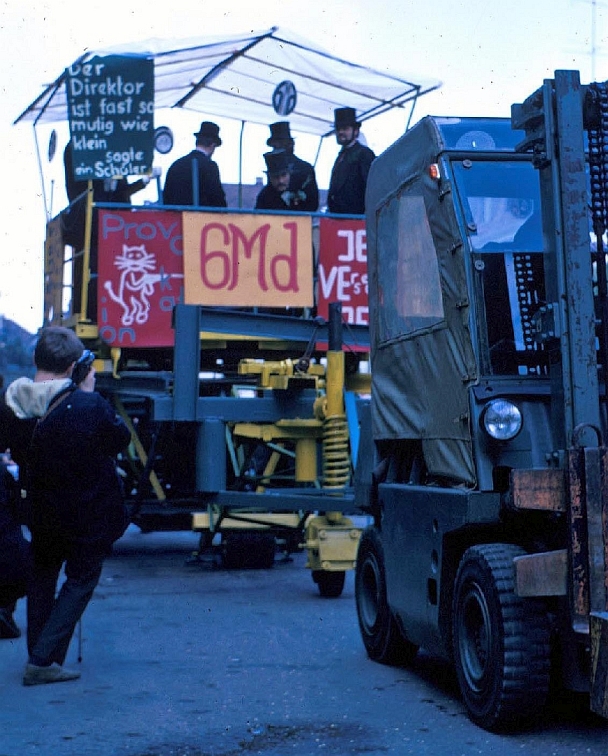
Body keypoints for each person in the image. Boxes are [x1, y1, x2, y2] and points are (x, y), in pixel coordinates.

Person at [0, 326, 131, 686]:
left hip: (38, 509)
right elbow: (119, 439)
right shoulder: (87, 404)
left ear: (35, 359)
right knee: (82, 578)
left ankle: (40, 655)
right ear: (75, 366)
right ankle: (43, 659)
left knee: (43, 575)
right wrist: (86, 393)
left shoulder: (10, 404)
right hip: (84, 512)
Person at [162, 121, 227, 207]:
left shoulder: (176, 165)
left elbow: (166, 197)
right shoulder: (210, 166)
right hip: (200, 215)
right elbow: (217, 199)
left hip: (176, 214)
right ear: (212, 145)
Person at [327, 107, 376, 215]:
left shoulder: (364, 154)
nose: (340, 132)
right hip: (338, 218)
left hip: (356, 218)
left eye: (345, 128)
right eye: (338, 129)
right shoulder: (340, 156)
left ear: (356, 131)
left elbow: (371, 188)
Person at [266, 122, 319, 211]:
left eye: (280, 143)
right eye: (275, 145)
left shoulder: (305, 168)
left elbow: (312, 201)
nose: (276, 148)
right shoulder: (272, 167)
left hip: (300, 215)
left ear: (290, 144)